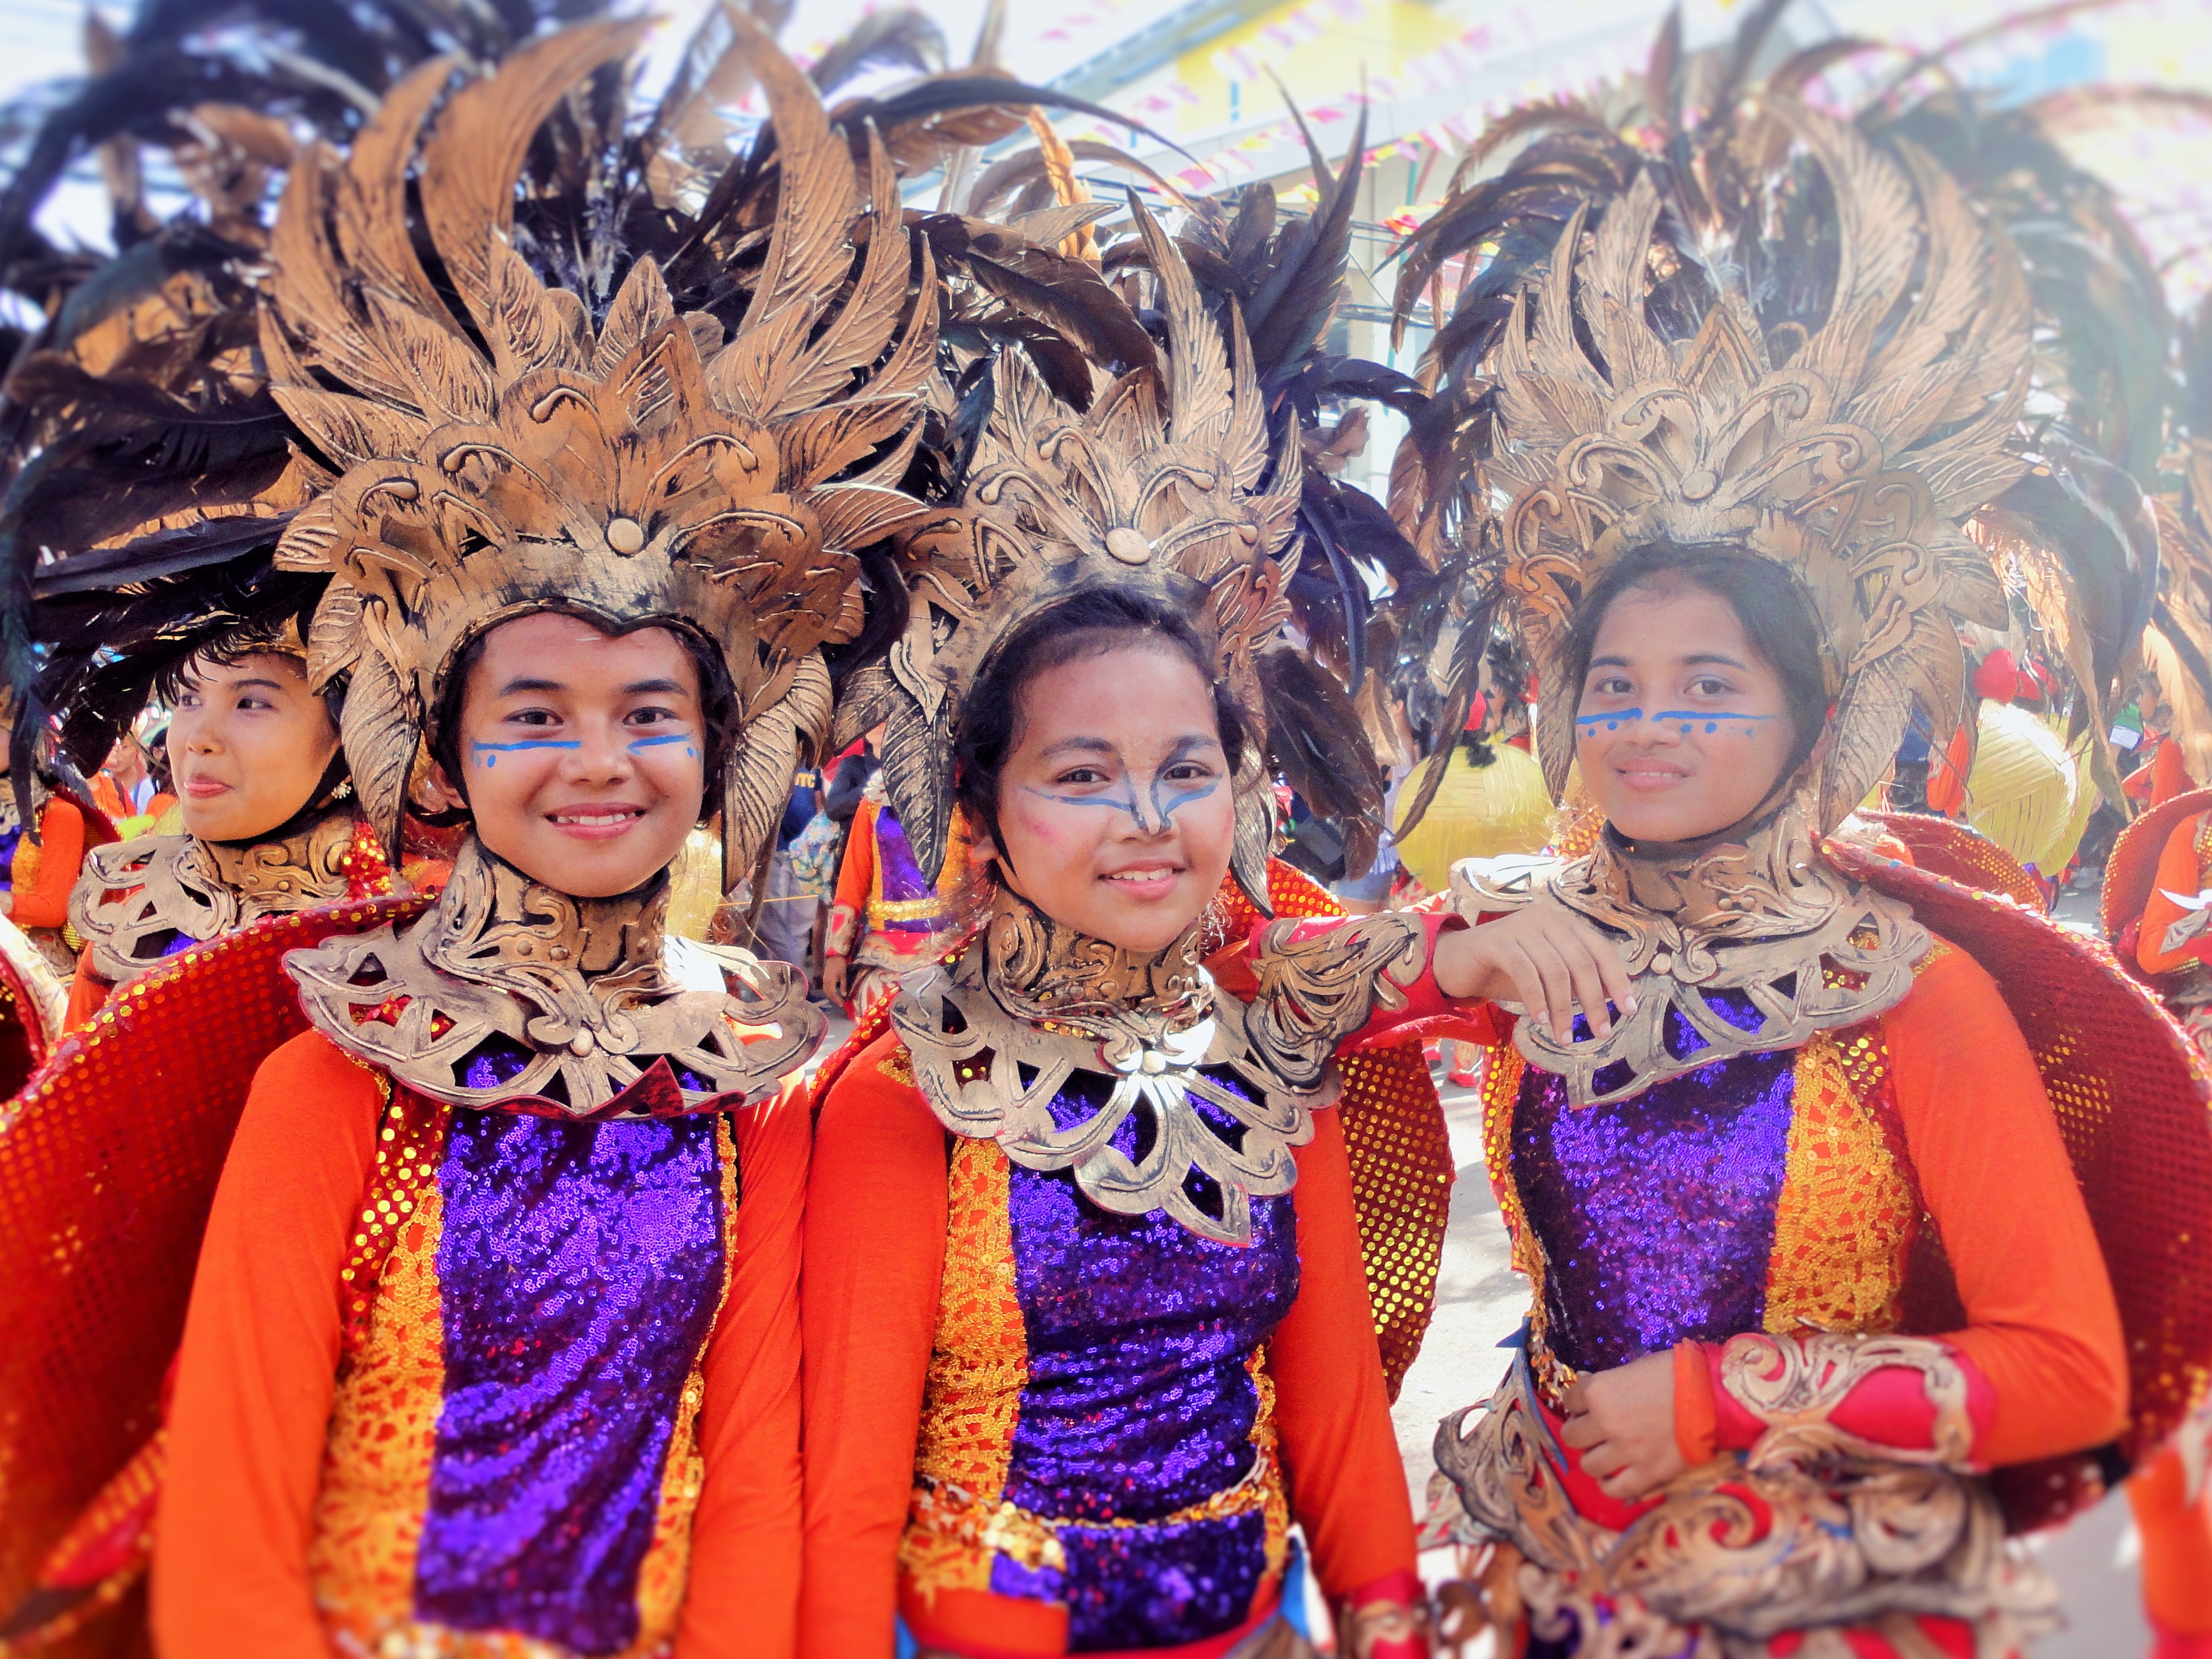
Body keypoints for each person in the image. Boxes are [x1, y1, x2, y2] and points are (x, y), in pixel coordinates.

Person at [10, 21, 932, 1658]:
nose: (597, 757)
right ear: (438, 747)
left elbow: (756, 1486)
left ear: (727, 738)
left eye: (650, 708)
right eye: (534, 712)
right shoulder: (331, 1077)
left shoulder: (757, 1085)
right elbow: (229, 1535)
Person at [1396, 64, 2206, 1657]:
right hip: (1546, 1566)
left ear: (1812, 714)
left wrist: (1715, 1396)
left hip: (1824, 1599)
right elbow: (1225, 1009)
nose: (1649, 728)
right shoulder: (1544, 935)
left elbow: (2067, 1374)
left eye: (1711, 688)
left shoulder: (1912, 995)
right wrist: (1447, 953)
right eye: (1615, 685)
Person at [800, 217, 1480, 1659]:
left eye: (1188, 768)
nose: (1147, 819)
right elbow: (847, 1496)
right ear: (978, 806)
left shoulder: (1264, 1060)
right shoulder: (901, 1099)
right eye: (1080, 773)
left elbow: (1338, 1411)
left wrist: (1383, 1619)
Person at [65, 629, 387, 1023]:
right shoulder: (134, 925)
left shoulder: (418, 922)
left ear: (350, 731)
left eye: (250, 703)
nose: (198, 738)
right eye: (189, 699)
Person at [822, 733, 952, 1017]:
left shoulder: (965, 792)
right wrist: (836, 954)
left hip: (957, 953)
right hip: (885, 959)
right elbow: (853, 877)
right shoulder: (875, 797)